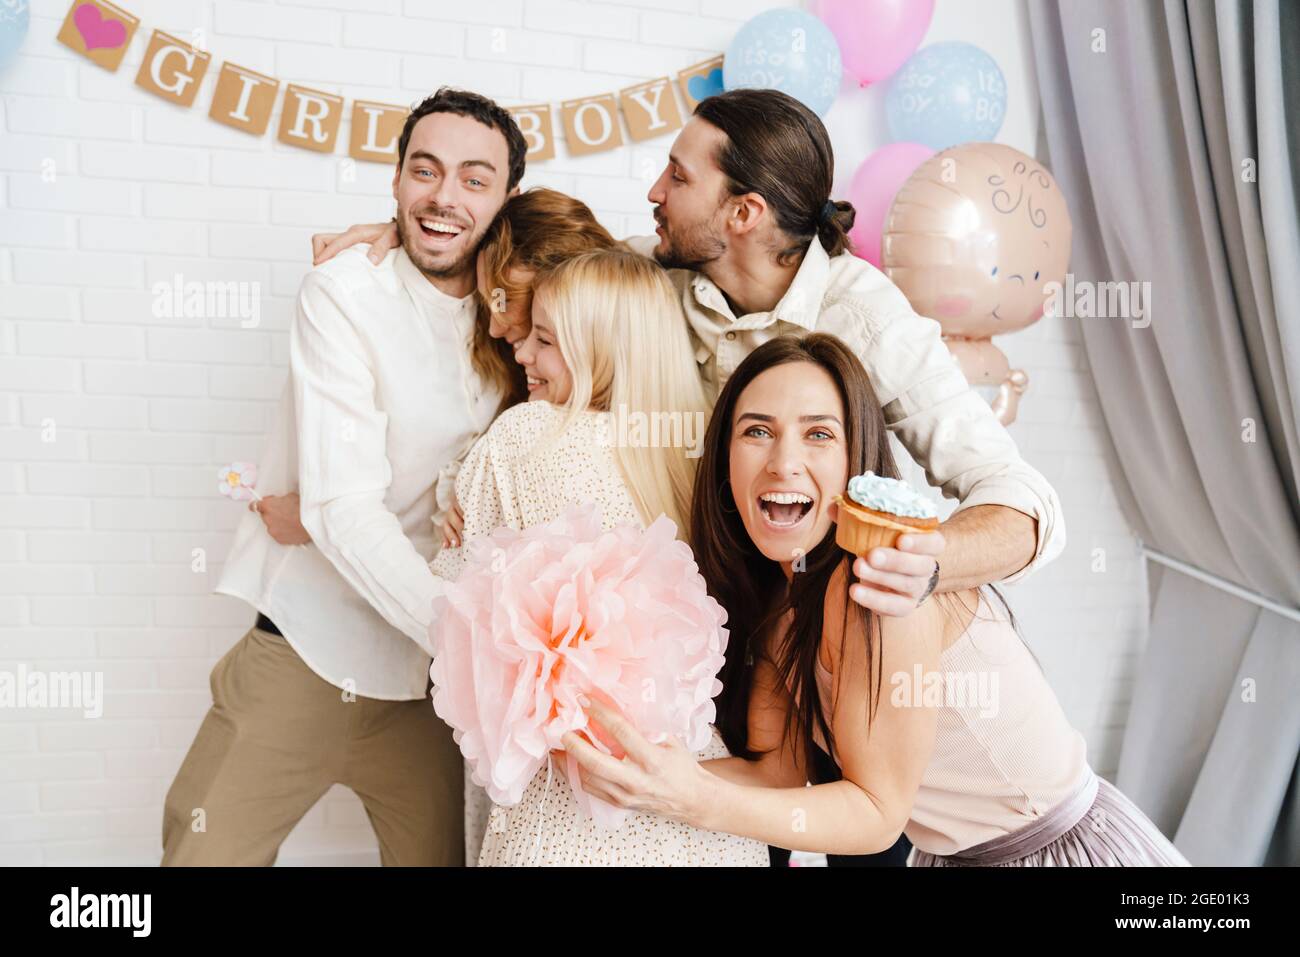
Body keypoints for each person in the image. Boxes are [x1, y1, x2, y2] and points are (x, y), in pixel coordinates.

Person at [313, 87, 1067, 865]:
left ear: (742, 212)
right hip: (714, 656)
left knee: (856, 833)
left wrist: (916, 566)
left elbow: (1027, 507)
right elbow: (552, 260)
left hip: (834, 657)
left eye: (676, 176)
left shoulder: (868, 317)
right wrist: (408, 241)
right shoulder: (663, 266)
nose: (653, 193)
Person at [562, 334, 1189, 867]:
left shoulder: (879, 584)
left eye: (818, 435)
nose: (784, 462)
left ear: (855, 462)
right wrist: (628, 770)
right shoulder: (781, 611)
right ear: (726, 458)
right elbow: (774, 776)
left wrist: (694, 797)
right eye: (757, 431)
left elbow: (876, 815)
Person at [160, 88, 528, 866]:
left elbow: (630, 273)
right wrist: (480, 643)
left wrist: (468, 659)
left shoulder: (528, 309)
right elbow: (344, 509)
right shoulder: (343, 292)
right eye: (423, 172)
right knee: (200, 854)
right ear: (395, 180)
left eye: (473, 179)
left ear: (508, 200)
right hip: (309, 651)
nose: (442, 196)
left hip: (431, 691)